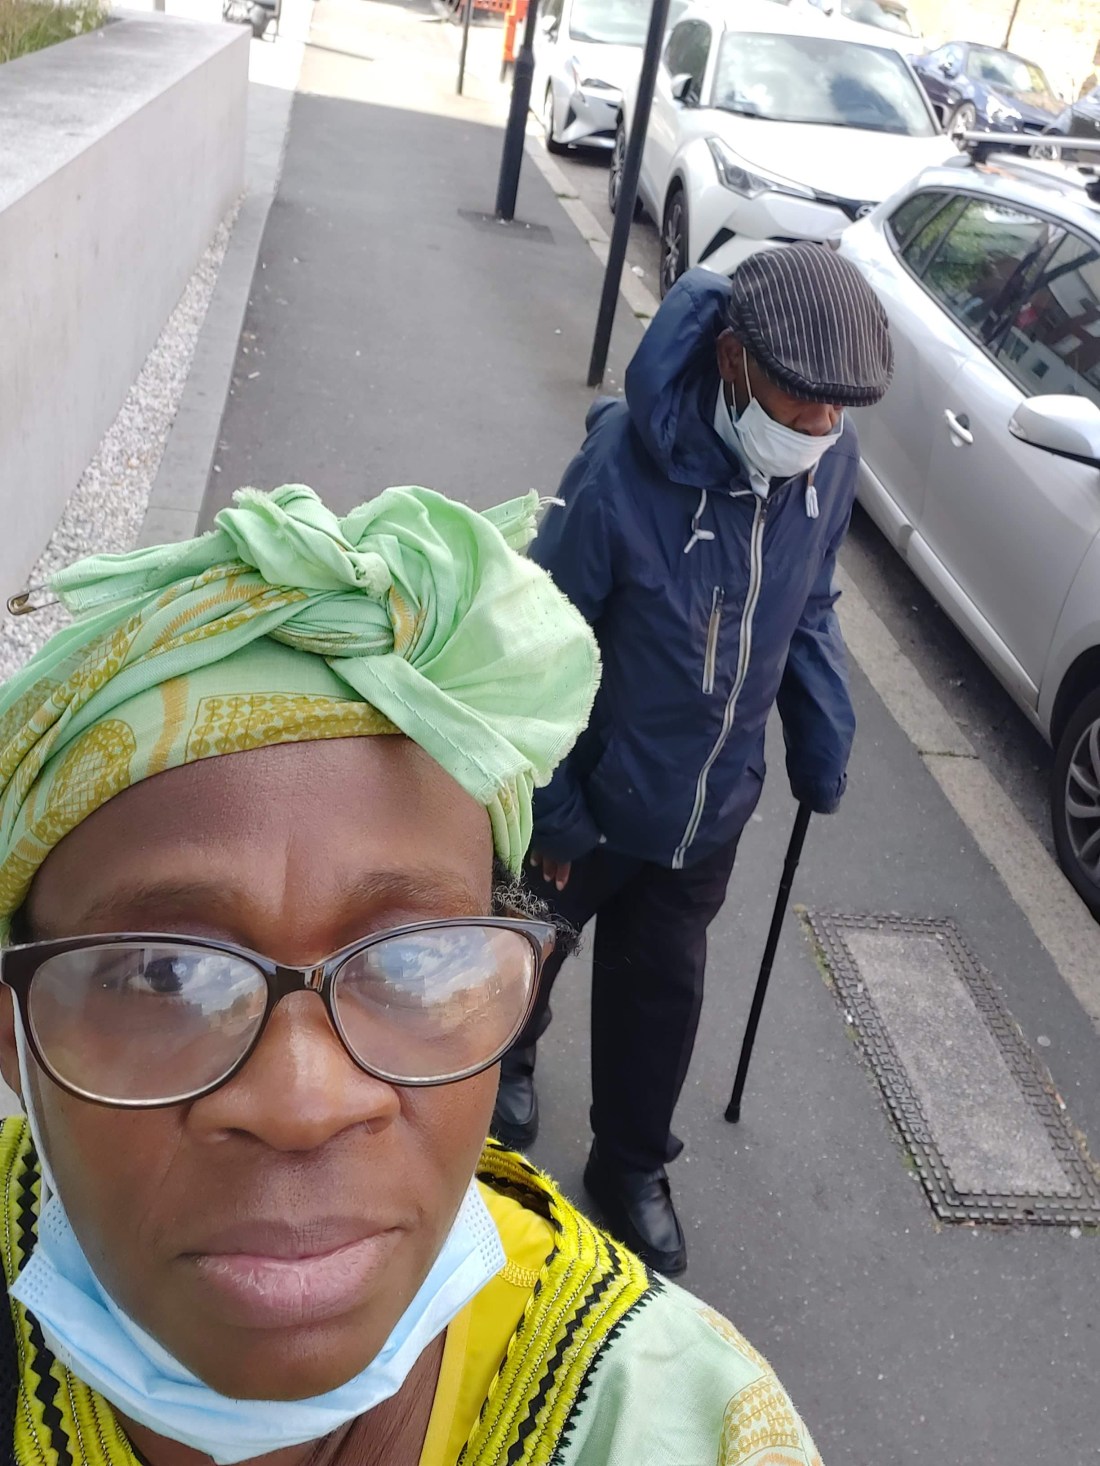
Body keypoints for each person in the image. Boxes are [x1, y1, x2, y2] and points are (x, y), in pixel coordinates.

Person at [0, 484, 823, 1465]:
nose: (303, 1104)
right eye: (164, 975)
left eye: (416, 960)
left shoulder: (681, 1424)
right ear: (13, 1037)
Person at [492, 246, 893, 1277]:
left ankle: (630, 1162)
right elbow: (540, 637)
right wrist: (554, 806)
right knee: (527, 946)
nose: (818, 429)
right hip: (588, 800)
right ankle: (506, 1059)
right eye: (801, 403)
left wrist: (821, 725)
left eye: (836, 412)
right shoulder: (620, 467)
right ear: (731, 360)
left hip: (707, 806)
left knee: (661, 989)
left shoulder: (827, 461)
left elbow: (808, 602)